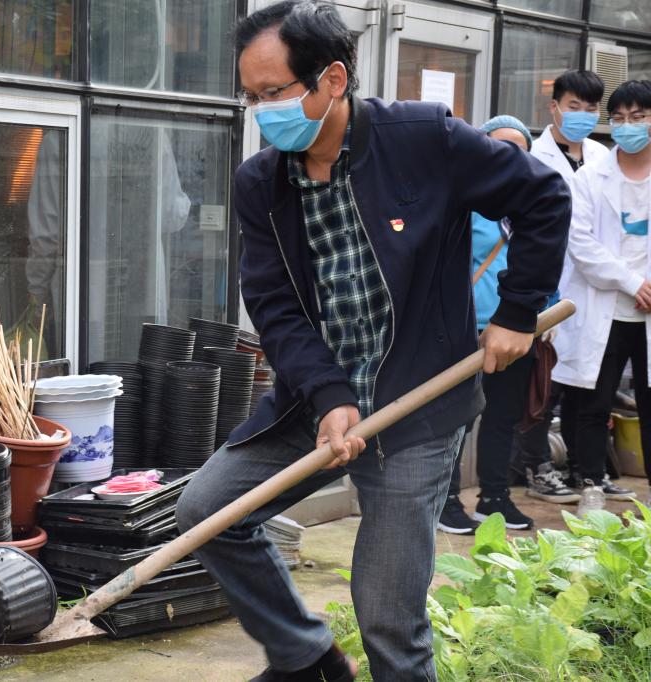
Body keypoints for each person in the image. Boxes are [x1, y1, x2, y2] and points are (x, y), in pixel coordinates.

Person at [174, 3, 571, 680]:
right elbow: (274, 305)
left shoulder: (422, 139)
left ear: (332, 79)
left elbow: (542, 200)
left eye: (274, 93)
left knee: (388, 615)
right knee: (207, 511)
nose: (263, 112)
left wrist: (516, 310)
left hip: (418, 405)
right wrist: (328, 395)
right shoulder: (261, 183)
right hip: (314, 402)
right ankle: (305, 657)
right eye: (252, 97)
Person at [439, 116, 552, 535]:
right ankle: (446, 499)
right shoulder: (466, 200)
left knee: (503, 416)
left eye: (519, 148)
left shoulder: (534, 204)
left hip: (518, 331)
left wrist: (546, 311)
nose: (509, 155)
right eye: (500, 145)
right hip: (469, 328)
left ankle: (494, 497)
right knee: (457, 418)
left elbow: (544, 260)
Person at [552, 80, 651, 501]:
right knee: (593, 404)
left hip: (646, 314)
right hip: (605, 308)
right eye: (620, 118)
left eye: (639, 117)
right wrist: (632, 282)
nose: (629, 126)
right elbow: (580, 244)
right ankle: (591, 488)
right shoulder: (591, 177)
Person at [518, 70, 611, 499]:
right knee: (544, 385)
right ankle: (537, 468)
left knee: (585, 384)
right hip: (552, 286)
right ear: (553, 106)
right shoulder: (534, 157)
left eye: (591, 109)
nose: (582, 115)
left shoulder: (601, 156)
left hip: (594, 290)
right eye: (574, 106)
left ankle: (583, 469)